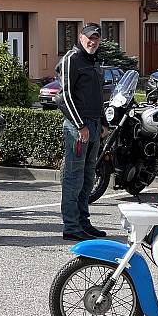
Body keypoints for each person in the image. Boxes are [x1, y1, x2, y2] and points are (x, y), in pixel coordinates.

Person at [55, 23, 108, 241]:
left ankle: (83, 222)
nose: (93, 42)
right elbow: (64, 96)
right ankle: (71, 226)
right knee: (73, 178)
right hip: (79, 127)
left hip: (94, 125)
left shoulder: (93, 61)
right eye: (89, 38)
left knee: (88, 178)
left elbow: (98, 96)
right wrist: (80, 125)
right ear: (80, 37)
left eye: (96, 38)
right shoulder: (72, 59)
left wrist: (103, 122)